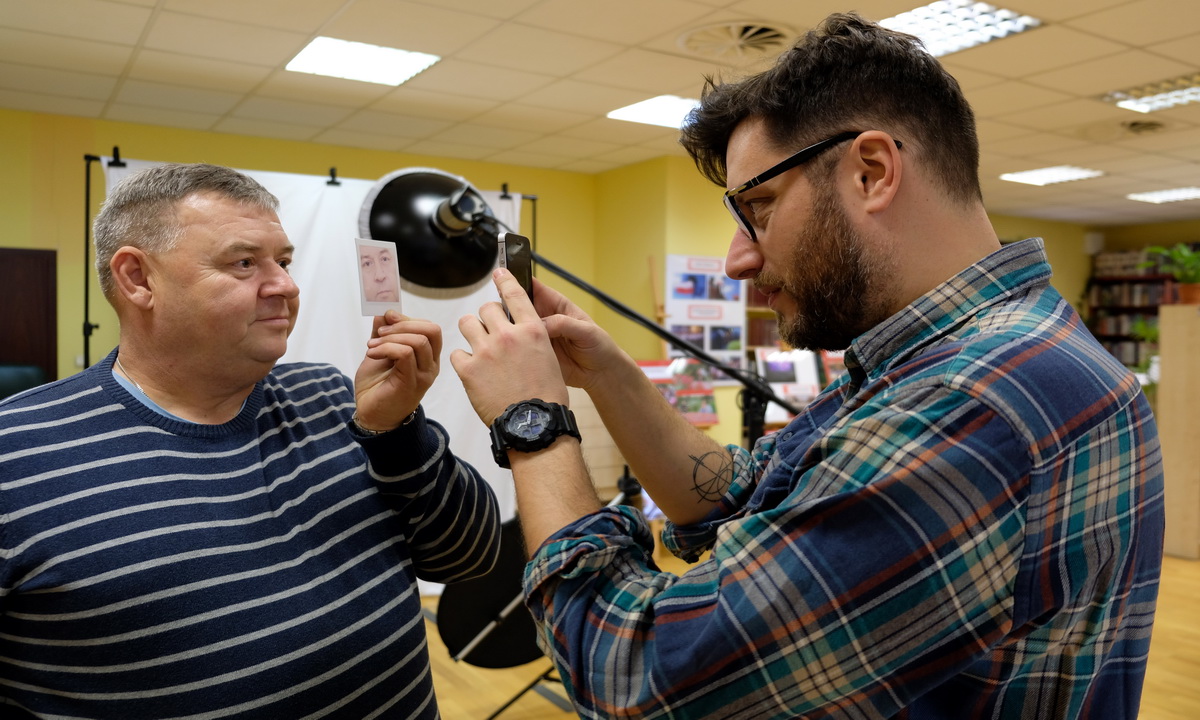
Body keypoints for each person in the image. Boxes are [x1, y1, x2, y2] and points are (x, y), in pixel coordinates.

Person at [451, 13, 1165, 720]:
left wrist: (534, 423)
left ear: (872, 172)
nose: (737, 260)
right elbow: (742, 494)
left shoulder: (969, 400)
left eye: (758, 207)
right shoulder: (992, 347)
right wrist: (607, 373)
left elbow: (632, 678)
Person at [0, 163, 501, 718]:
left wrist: (396, 430)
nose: (286, 285)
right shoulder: (15, 453)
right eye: (243, 263)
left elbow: (470, 557)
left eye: (283, 262)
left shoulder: (335, 398)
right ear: (138, 279)